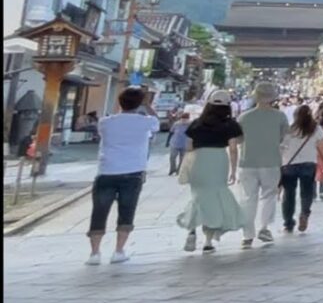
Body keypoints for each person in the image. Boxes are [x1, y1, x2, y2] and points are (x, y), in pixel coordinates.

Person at [84, 88, 160, 265]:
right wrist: (148, 105)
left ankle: (94, 253)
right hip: (133, 171)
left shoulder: (105, 122)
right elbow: (156, 122)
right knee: (127, 211)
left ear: (120, 102)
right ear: (140, 103)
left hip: (107, 171)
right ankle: (119, 250)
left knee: (99, 212)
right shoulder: (145, 121)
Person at [177, 90, 245, 254]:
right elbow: (234, 149)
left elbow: (188, 147)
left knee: (198, 197)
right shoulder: (230, 124)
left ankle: (191, 231)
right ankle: (208, 241)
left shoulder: (197, 123)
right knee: (214, 198)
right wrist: (234, 170)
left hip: (199, 161)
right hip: (218, 160)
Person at [236, 82, 289, 249]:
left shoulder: (244, 117)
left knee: (248, 198)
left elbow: (238, 140)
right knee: (269, 195)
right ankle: (264, 228)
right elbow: (284, 138)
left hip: (247, 162)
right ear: (272, 98)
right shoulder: (280, 116)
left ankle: (247, 236)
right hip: (271, 162)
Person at [279, 104, 323, 233]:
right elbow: (322, 146)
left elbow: (281, 148)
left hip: (289, 164)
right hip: (309, 164)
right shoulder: (316, 129)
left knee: (288, 194)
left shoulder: (289, 129)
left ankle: (288, 223)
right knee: (307, 192)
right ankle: (304, 214)